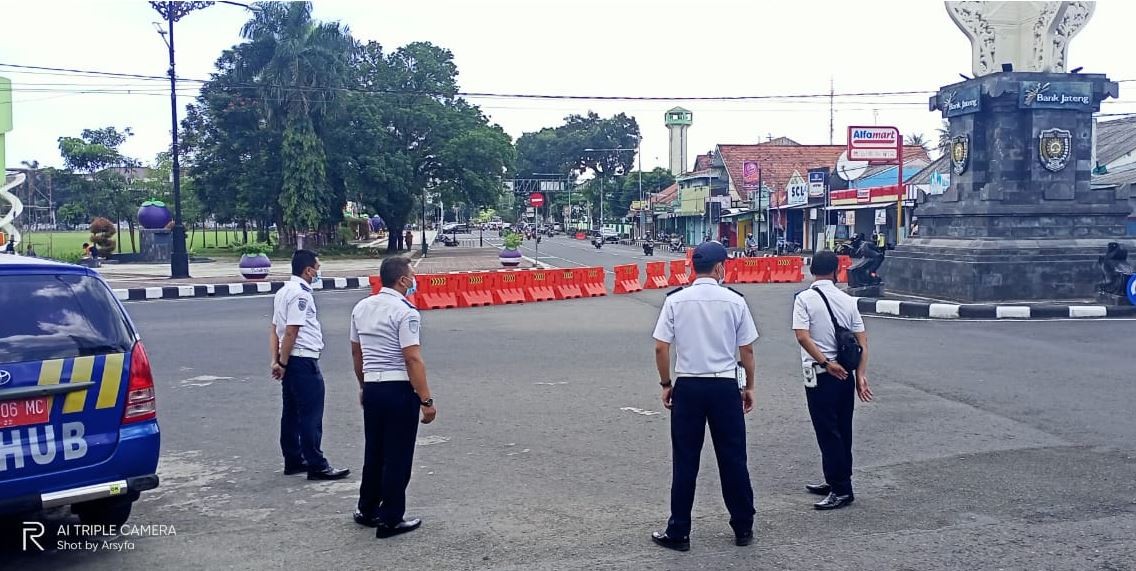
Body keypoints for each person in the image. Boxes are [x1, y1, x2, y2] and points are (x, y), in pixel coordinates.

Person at [650, 240, 759, 551]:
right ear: (720, 267)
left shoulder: (676, 301)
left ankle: (679, 531)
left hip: (689, 387)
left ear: (693, 268)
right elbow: (747, 349)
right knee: (733, 458)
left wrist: (666, 383)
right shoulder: (735, 301)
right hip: (725, 387)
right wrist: (748, 386)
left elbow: (661, 346)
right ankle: (742, 526)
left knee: (685, 460)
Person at [350, 256, 437, 538]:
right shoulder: (405, 311)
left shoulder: (362, 307)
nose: (414, 280)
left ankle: (367, 508)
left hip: (373, 388)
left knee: (374, 451)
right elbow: (412, 358)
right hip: (398, 389)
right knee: (398, 456)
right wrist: (426, 400)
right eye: (412, 275)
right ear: (402, 280)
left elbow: (357, 352)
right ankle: (390, 519)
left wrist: (364, 386)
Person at [791, 251, 873, 511]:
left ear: (812, 270)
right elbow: (862, 341)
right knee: (843, 428)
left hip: (822, 374)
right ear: (837, 271)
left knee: (827, 431)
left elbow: (802, 337)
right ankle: (836, 478)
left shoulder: (804, 299)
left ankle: (841, 489)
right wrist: (860, 375)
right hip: (846, 374)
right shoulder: (847, 300)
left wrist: (826, 363)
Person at [270, 250, 350, 481]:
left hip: (290, 360)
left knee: (291, 413)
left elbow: (275, 329)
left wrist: (276, 360)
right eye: (317, 267)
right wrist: (282, 362)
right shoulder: (300, 294)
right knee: (311, 415)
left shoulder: (283, 291)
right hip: (302, 360)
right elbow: (292, 330)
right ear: (308, 270)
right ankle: (317, 464)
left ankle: (294, 459)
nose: (318, 272)